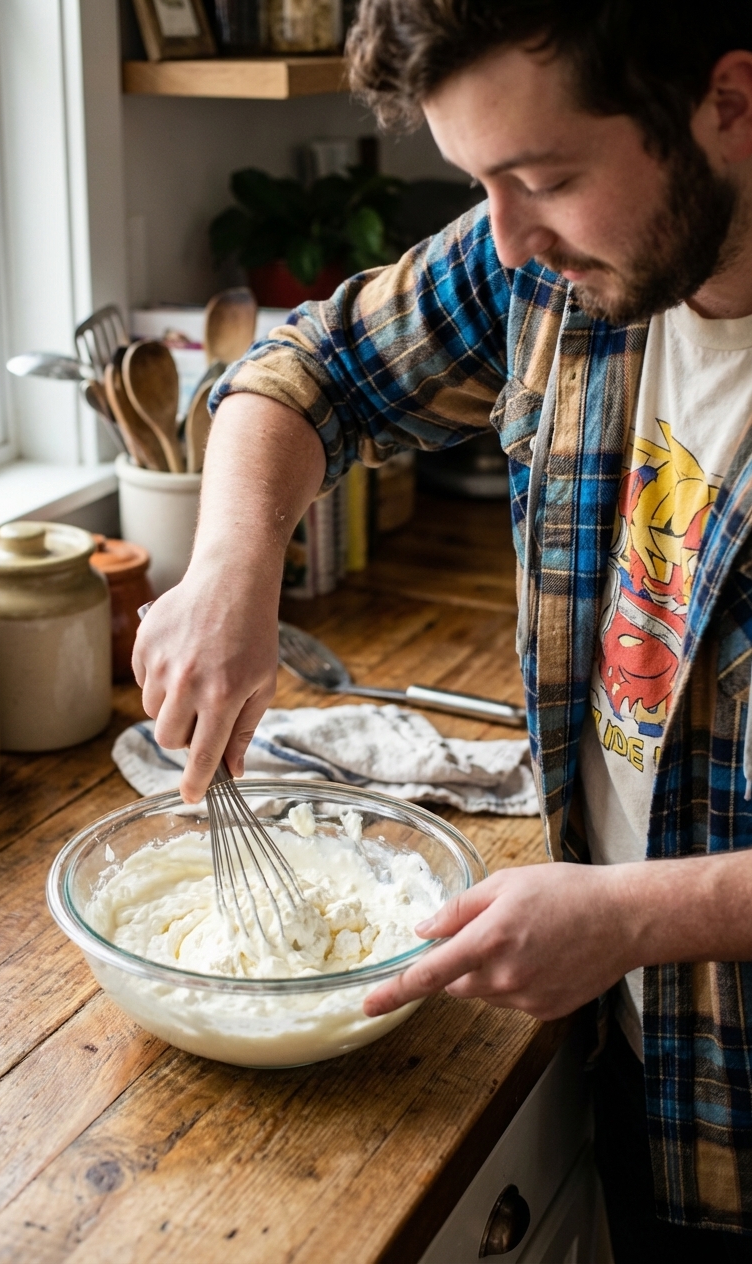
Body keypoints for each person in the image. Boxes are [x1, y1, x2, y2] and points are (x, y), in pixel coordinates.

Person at [133, 2, 752, 1257]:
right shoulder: (565, 261)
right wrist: (231, 567)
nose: (509, 240)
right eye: (482, 183)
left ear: (729, 103)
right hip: (648, 1063)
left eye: (545, 178)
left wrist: (635, 915)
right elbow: (309, 367)